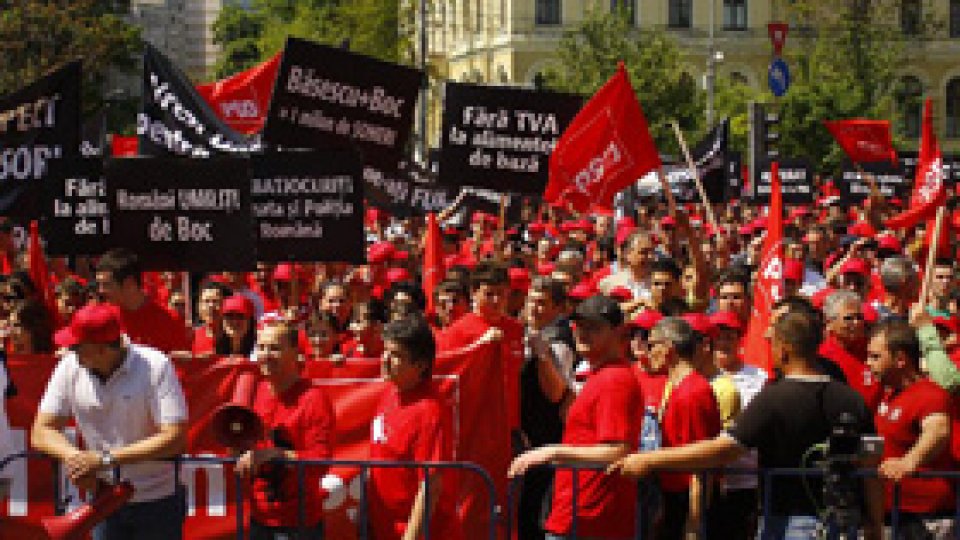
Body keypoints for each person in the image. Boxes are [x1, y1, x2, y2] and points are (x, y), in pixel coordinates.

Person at [608, 309, 883, 540]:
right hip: (842, 523)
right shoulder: (851, 399)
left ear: (784, 349)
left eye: (772, 345)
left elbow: (725, 449)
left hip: (787, 524)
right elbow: (870, 464)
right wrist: (875, 523)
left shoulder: (772, 399)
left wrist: (649, 460)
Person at [31, 303, 189, 540]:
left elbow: (175, 439)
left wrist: (104, 459)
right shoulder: (69, 367)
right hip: (104, 500)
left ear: (102, 349)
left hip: (157, 500)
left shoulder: (156, 366)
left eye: (76, 347)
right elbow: (41, 431)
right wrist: (76, 459)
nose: (69, 351)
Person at [509, 295, 641, 539]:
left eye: (594, 327)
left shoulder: (614, 379)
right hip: (579, 511)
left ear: (619, 333)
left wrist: (552, 451)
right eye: (579, 326)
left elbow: (618, 451)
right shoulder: (601, 374)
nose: (582, 333)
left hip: (591, 517)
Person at [235, 319, 335, 539]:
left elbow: (322, 461)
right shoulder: (254, 391)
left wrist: (276, 455)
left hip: (299, 523)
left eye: (274, 348)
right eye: (261, 347)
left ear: (295, 353)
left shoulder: (313, 398)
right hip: (258, 517)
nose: (266, 355)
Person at [368, 315, 461, 539]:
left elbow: (431, 485)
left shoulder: (430, 412)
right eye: (386, 351)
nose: (385, 359)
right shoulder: (391, 393)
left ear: (420, 365)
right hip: (384, 529)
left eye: (396, 355)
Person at [866, 318, 956, 538]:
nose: (869, 363)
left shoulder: (930, 394)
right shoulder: (888, 395)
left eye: (876, 357)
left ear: (900, 359)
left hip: (925, 520)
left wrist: (909, 462)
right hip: (893, 516)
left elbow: (938, 431)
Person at [647, 317, 723, 540]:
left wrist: (694, 522)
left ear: (668, 349)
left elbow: (701, 462)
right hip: (675, 497)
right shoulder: (682, 388)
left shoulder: (692, 392)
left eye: (651, 345)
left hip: (687, 501)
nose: (646, 351)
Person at [95, 249, 190, 353]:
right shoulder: (99, 318)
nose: (101, 291)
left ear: (129, 283)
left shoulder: (170, 320)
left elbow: (181, 365)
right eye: (99, 284)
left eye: (107, 285)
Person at [820, 290, 882, 411]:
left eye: (859, 317)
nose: (857, 323)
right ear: (829, 323)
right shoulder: (822, 357)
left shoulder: (874, 347)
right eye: (848, 318)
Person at [193, 281, 229, 356]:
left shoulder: (235, 337)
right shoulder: (192, 337)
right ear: (198, 307)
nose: (211, 306)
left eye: (216, 301)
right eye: (206, 301)